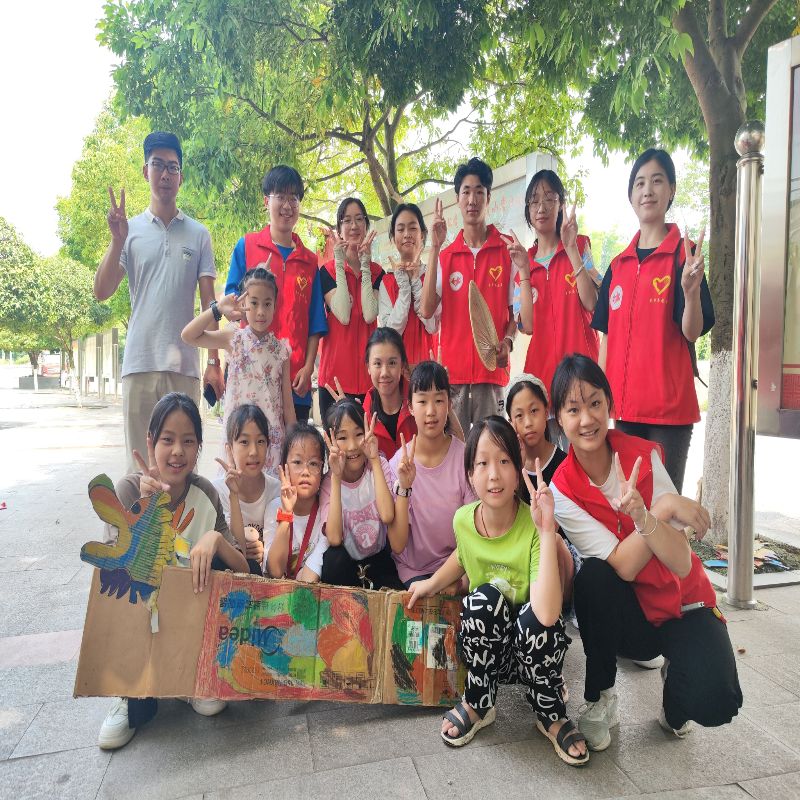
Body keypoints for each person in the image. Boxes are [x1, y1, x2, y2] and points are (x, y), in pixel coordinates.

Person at [548, 354, 742, 752]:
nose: (587, 419)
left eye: (595, 404)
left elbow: (681, 560)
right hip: (631, 613)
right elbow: (622, 565)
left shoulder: (643, 456)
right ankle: (602, 698)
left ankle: (675, 700)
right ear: (560, 418)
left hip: (684, 602)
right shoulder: (562, 489)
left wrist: (644, 515)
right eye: (573, 409)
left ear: (610, 405)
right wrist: (661, 509)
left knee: (719, 701)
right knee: (594, 578)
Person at [408, 417, 587, 765]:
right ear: (470, 474)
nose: (494, 474)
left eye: (504, 461)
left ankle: (550, 712)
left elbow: (549, 615)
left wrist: (547, 531)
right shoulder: (463, 519)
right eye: (483, 463)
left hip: (533, 657)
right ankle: (479, 703)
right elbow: (463, 555)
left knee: (537, 619)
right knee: (482, 601)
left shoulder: (534, 525)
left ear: (519, 468)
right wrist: (430, 583)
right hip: (488, 657)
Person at [97, 393, 249, 751]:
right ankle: (125, 693)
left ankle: (187, 679)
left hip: (187, 620)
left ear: (198, 447)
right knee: (138, 708)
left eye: (187, 441)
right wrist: (147, 512)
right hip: (140, 620)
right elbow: (113, 578)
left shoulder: (206, 494)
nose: (177, 451)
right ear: (151, 443)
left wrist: (215, 538)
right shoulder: (128, 490)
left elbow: (244, 569)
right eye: (167, 439)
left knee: (213, 706)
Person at [95, 131, 222, 473]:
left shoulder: (199, 234)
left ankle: (182, 530)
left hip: (184, 367)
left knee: (184, 469)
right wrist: (116, 241)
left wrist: (213, 361)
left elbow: (210, 304)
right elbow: (101, 290)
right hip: (139, 364)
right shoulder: (129, 230)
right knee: (140, 468)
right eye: (158, 165)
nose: (165, 174)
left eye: (173, 167)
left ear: (181, 176)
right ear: (145, 171)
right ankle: (134, 529)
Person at [591, 148, 714, 492]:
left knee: (665, 511)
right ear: (631, 195)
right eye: (640, 183)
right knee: (631, 507)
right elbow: (606, 340)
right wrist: (600, 401)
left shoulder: (684, 256)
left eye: (657, 181)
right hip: (624, 413)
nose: (648, 190)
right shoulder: (618, 265)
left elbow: (692, 332)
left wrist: (690, 292)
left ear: (671, 190)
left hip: (668, 416)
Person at [419, 158, 517, 433]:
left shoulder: (506, 251)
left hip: (492, 376)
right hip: (454, 379)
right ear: (458, 199)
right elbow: (426, 310)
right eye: (466, 192)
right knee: (456, 454)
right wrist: (435, 248)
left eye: (479, 192)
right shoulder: (446, 255)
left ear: (488, 197)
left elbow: (515, 314)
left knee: (492, 450)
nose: (472, 199)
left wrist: (508, 341)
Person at [224, 165, 328, 422]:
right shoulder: (246, 246)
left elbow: (316, 322)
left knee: (292, 456)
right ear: (266, 201)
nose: (287, 205)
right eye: (280, 196)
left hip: (295, 382)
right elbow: (231, 306)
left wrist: (307, 367)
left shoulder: (309, 261)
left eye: (294, 198)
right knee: (251, 455)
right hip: (252, 375)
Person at [181, 267, 296, 473]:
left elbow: (287, 406)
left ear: (275, 305)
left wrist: (295, 446)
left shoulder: (281, 351)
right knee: (233, 495)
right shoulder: (233, 338)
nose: (260, 311)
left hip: (270, 443)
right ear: (242, 304)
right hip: (237, 439)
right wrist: (217, 309)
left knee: (267, 499)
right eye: (254, 303)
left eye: (267, 304)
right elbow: (188, 336)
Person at [508, 170, 600, 416]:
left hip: (582, 375)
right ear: (528, 210)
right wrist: (525, 273)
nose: (542, 207)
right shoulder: (523, 263)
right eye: (535, 200)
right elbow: (527, 326)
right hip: (542, 380)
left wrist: (571, 250)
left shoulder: (580, 245)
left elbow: (592, 303)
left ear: (560, 204)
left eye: (550, 198)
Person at [388, 360, 475, 588]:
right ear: (410, 407)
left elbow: (472, 537)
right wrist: (404, 488)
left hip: (457, 570)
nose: (431, 411)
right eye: (423, 401)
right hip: (412, 573)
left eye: (439, 400)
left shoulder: (465, 459)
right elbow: (397, 545)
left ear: (449, 404)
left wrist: (449, 582)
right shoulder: (397, 464)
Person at [505, 373, 577, 606]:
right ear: (511, 422)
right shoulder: (508, 469)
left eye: (534, 411)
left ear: (547, 412)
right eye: (519, 415)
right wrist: (516, 468)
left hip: (561, 557)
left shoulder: (565, 464)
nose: (528, 422)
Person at [319, 399, 402, 590]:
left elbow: (388, 515)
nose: (352, 446)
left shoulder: (378, 466)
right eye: (342, 438)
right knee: (333, 560)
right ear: (329, 440)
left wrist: (373, 459)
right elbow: (334, 538)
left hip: (380, 560)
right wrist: (336, 478)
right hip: (347, 565)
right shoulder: (329, 481)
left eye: (358, 434)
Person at [317, 198, 384, 425]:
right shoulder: (325, 272)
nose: (354, 226)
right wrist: (339, 263)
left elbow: (369, 315)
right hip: (333, 381)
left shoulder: (378, 273)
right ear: (339, 229)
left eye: (359, 219)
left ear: (366, 225)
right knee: (336, 452)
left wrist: (365, 265)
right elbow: (344, 315)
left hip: (369, 381)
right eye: (347, 221)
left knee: (368, 451)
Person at [212, 404, 281, 575]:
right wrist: (233, 495)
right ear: (229, 448)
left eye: (260, 442)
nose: (253, 451)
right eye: (244, 442)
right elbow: (236, 553)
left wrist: (264, 551)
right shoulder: (217, 491)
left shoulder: (277, 490)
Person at [263, 422, 329, 581]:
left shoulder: (325, 510)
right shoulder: (274, 508)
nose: (305, 472)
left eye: (313, 464)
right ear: (283, 468)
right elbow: (275, 571)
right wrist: (286, 514)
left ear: (322, 470)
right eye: (297, 463)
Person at [378, 203, 439, 368]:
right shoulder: (387, 281)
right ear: (392, 237)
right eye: (400, 229)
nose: (407, 235)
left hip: (428, 370)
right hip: (396, 371)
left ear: (423, 234)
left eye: (413, 228)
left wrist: (416, 282)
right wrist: (404, 289)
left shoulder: (434, 274)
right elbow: (390, 334)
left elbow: (433, 326)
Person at [361, 327, 416, 460]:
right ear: (368, 367)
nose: (385, 373)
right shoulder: (362, 417)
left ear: (402, 365)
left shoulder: (420, 401)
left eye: (392, 363)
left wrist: (440, 395)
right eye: (377, 364)